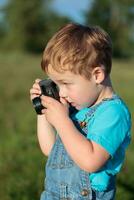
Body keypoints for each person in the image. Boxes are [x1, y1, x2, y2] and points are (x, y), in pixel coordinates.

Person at [30, 23, 131, 200]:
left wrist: (62, 121)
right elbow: (51, 150)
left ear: (97, 75)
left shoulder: (113, 113)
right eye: (56, 84)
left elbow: (91, 162)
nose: (61, 93)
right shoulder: (75, 108)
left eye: (66, 83)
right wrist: (43, 111)